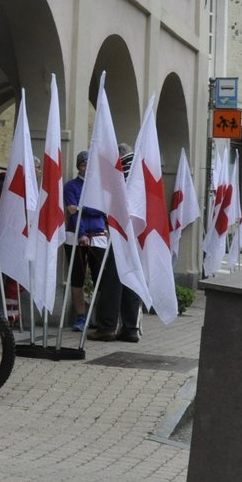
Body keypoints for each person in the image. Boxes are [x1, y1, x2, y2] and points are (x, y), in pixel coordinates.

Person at [86, 144, 143, 344]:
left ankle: (107, 326)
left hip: (122, 232)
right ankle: (130, 328)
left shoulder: (123, 172)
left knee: (113, 279)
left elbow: (112, 199)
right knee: (131, 278)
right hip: (137, 233)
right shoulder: (139, 169)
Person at [62, 150, 106, 333]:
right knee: (77, 277)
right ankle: (80, 316)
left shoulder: (100, 187)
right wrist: (81, 234)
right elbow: (72, 215)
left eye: (89, 164)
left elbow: (102, 210)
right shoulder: (71, 186)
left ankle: (100, 315)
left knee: (100, 278)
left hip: (98, 235)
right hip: (76, 236)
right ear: (79, 167)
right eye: (83, 164)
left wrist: (81, 208)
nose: (86, 168)